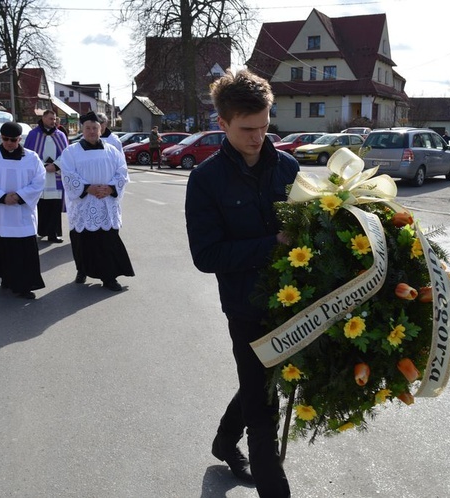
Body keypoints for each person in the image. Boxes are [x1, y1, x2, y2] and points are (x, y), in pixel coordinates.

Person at [185, 69, 299, 498]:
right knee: (263, 405)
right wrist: (271, 244)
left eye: (266, 127)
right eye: (248, 129)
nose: (258, 138)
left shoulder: (287, 168)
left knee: (263, 382)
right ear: (223, 123)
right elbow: (206, 256)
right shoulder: (206, 180)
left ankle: (222, 441)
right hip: (246, 306)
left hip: (293, 303)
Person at [58, 111, 134, 291]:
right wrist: (87, 188)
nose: (92, 131)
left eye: (95, 128)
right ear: (82, 130)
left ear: (101, 129)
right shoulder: (71, 152)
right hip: (83, 204)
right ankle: (82, 270)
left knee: (107, 242)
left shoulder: (112, 151)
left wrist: (110, 188)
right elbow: (67, 174)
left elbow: (122, 172)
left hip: (106, 203)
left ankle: (109, 278)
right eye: (88, 128)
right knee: (82, 241)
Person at [0, 121, 46, 300]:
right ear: (1, 137)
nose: (9, 143)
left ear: (19, 139)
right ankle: (6, 279)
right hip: (0, 213)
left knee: (23, 252)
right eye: (6, 139)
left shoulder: (31, 157)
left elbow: (39, 181)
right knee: (3, 249)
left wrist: (20, 196)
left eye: (13, 140)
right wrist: (1, 197)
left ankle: (24, 286)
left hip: (21, 214)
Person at [24, 109, 69, 243]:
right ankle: (41, 230)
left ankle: (53, 234)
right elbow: (28, 154)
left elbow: (66, 154)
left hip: (55, 176)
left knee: (54, 206)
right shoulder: (33, 134)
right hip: (40, 176)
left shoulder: (60, 135)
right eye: (50, 119)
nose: (53, 121)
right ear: (43, 118)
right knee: (41, 206)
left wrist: (55, 165)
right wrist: (43, 166)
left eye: (54, 119)